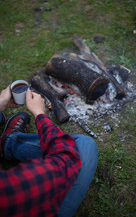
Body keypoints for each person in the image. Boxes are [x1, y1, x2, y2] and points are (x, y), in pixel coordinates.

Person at [0, 85, 98, 217]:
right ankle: (9, 143)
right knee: (86, 145)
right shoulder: (9, 190)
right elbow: (64, 160)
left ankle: (7, 142)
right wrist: (39, 114)